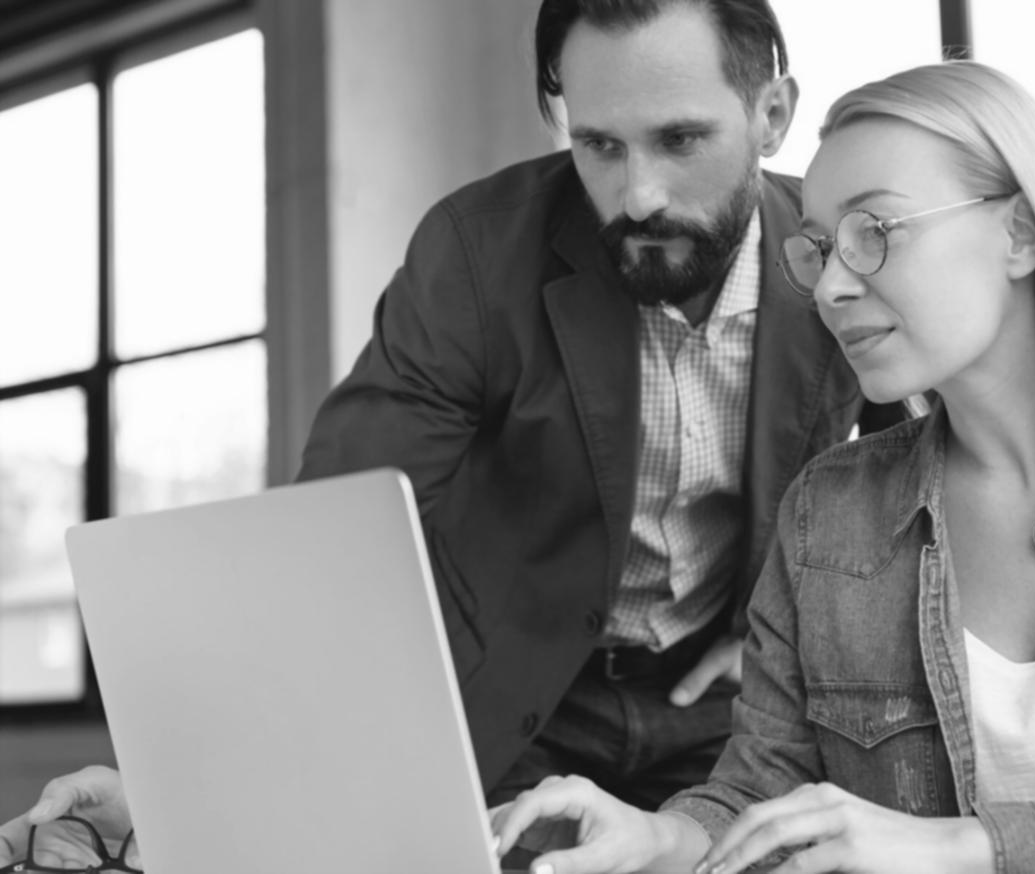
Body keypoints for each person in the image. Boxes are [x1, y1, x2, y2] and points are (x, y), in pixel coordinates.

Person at [0, 0, 901, 868]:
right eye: (599, 145)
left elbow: (908, 483)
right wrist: (186, 786)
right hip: (515, 698)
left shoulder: (832, 260)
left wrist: (781, 640)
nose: (638, 196)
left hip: (720, 711)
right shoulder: (477, 252)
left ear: (771, 114)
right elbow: (331, 538)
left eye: (680, 139)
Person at [482, 60, 1035, 874]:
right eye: (820, 248)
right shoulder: (826, 513)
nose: (832, 286)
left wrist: (966, 848)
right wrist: (659, 837)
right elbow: (760, 797)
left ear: (1021, 233)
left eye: (875, 230)